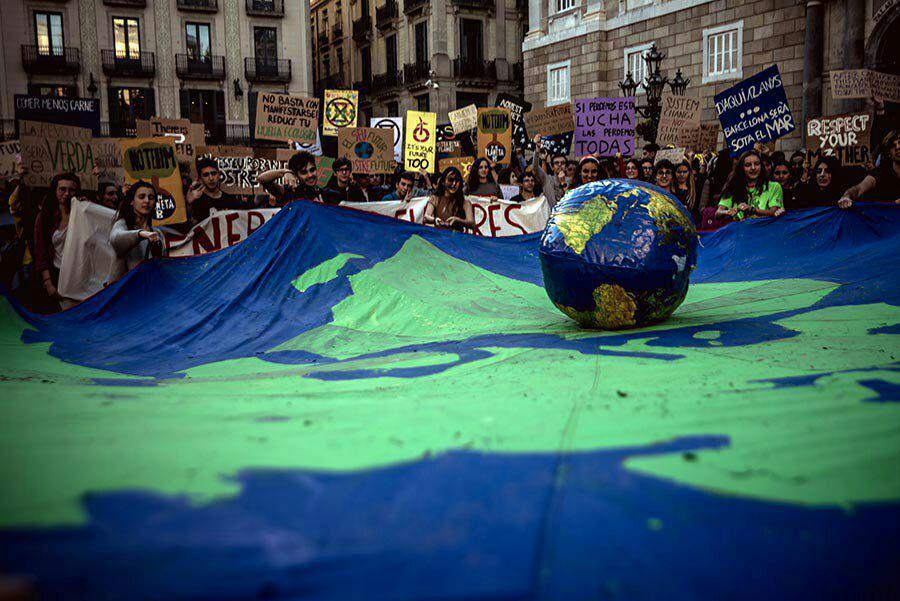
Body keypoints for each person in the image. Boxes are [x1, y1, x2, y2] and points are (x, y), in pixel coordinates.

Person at [32, 173, 80, 312]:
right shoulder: (45, 217)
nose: (67, 193)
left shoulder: (82, 214)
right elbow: (40, 252)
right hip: (57, 276)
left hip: (80, 274)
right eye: (62, 189)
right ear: (55, 191)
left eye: (71, 190)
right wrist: (48, 283)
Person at [109, 181, 166, 280]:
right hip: (125, 292)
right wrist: (140, 234)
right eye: (141, 197)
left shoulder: (158, 233)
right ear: (132, 201)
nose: (147, 201)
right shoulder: (123, 224)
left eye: (151, 198)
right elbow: (116, 239)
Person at [716, 149, 783, 222]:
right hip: (739, 231)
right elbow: (718, 213)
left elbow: (774, 212)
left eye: (757, 164)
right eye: (748, 165)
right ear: (741, 168)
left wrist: (752, 210)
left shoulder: (774, 186)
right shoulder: (733, 186)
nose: (753, 168)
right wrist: (728, 212)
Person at [839, 129, 900, 208]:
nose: (898, 147)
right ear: (889, 153)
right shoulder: (881, 172)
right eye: (893, 145)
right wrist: (847, 196)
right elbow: (859, 188)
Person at [186, 157, 244, 223]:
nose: (211, 178)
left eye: (213, 173)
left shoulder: (230, 199)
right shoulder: (197, 200)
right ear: (200, 178)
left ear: (219, 175)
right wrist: (189, 204)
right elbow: (191, 227)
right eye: (206, 175)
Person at [258, 151, 322, 205]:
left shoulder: (325, 193)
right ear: (295, 175)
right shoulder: (289, 192)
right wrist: (285, 172)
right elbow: (262, 179)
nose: (310, 175)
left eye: (312, 170)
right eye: (304, 172)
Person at [424, 167, 476, 232]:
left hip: (457, 239)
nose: (454, 184)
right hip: (439, 238)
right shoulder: (435, 198)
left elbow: (472, 223)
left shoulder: (465, 202)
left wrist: (458, 220)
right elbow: (426, 216)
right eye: (450, 180)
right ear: (443, 182)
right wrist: (435, 220)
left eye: (457, 181)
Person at [531, 134, 565, 207]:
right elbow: (535, 167)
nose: (559, 165)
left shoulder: (571, 182)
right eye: (556, 163)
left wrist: (563, 183)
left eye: (563, 163)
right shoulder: (547, 179)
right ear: (552, 167)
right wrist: (537, 148)